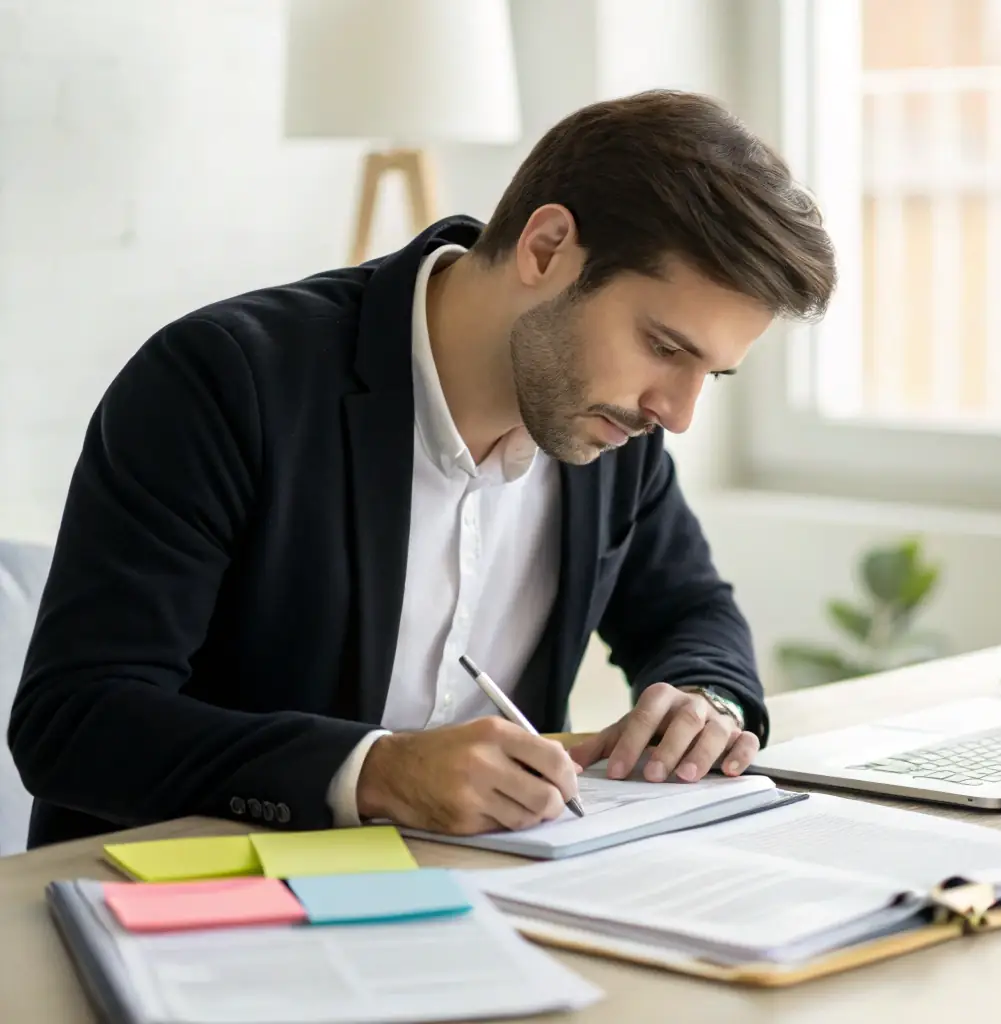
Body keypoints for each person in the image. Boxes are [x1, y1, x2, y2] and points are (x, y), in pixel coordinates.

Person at [8, 89, 836, 849]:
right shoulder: (225, 381)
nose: (677, 412)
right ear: (546, 248)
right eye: (663, 346)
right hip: (197, 900)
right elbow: (75, 720)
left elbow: (688, 610)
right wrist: (376, 772)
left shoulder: (609, 420)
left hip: (486, 896)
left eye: (710, 374)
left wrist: (704, 700)